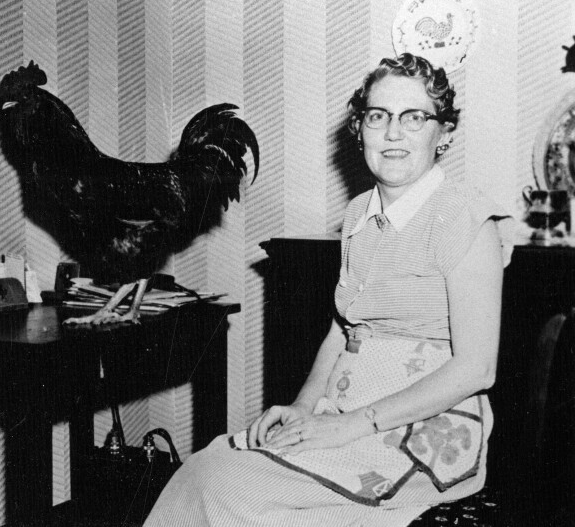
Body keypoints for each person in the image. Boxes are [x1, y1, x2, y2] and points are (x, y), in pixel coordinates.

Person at [143, 53, 512, 526]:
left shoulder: (466, 219)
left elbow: (476, 370)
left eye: (414, 117)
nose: (393, 133)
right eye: (378, 117)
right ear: (360, 131)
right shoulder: (359, 215)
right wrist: (302, 407)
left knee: (232, 488)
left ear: (445, 134)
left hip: (423, 429)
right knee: (202, 469)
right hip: (346, 409)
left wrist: (346, 427)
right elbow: (344, 330)